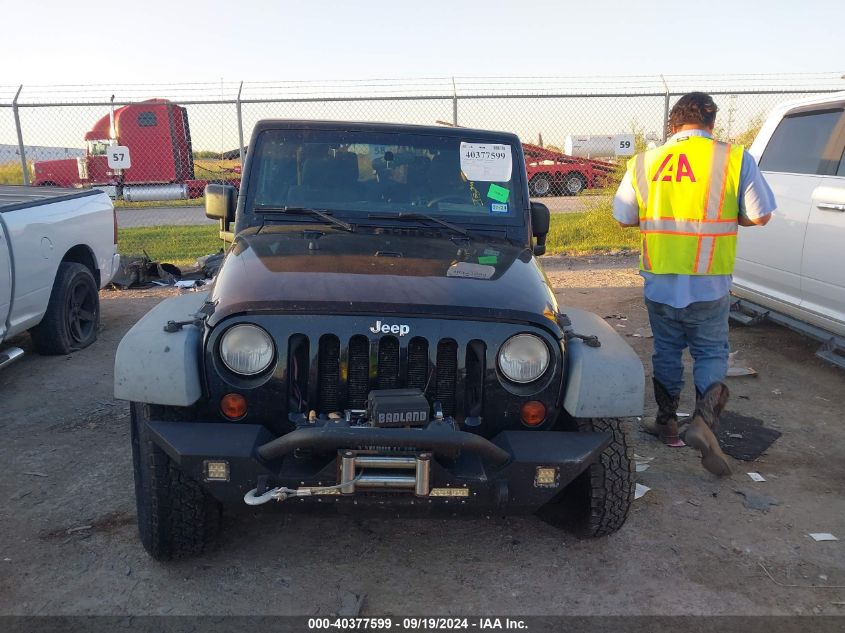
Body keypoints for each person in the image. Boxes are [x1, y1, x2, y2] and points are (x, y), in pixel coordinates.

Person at [613, 91, 775, 476]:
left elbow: (623, 215)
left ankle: (667, 422)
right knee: (710, 353)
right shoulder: (733, 157)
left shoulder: (645, 161)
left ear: (673, 124)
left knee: (667, 351)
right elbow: (761, 214)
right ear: (712, 123)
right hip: (709, 283)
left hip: (660, 280)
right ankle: (703, 422)